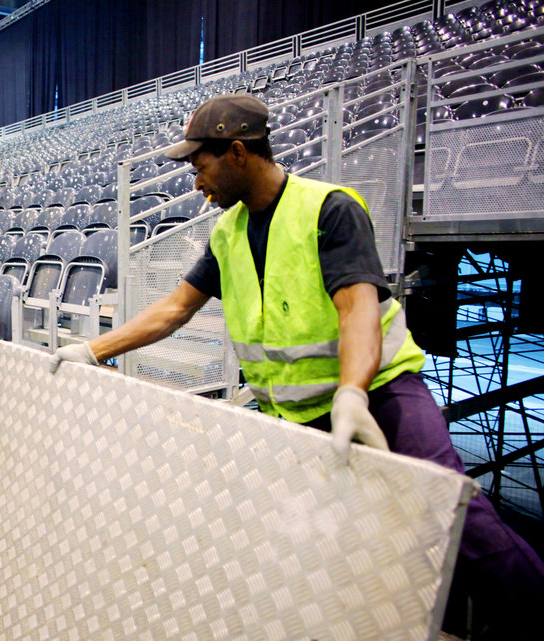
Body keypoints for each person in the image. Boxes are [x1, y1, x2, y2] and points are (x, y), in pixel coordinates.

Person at [50, 94, 544, 639]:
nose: (196, 182)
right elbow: (174, 310)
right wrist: (93, 351)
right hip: (301, 412)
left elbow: (356, 307)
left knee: (452, 515)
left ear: (237, 152)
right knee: (331, 541)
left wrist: (353, 393)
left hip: (379, 394)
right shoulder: (227, 232)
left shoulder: (330, 209)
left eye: (201, 165)